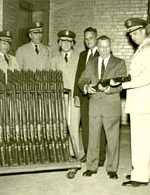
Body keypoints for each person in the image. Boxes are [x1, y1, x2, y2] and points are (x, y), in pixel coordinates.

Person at [78, 35, 126, 179]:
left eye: (106, 47)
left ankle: (112, 168)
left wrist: (110, 89)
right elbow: (82, 80)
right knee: (92, 138)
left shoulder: (119, 63)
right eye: (101, 47)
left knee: (112, 140)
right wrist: (86, 87)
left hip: (111, 106)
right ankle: (91, 167)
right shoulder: (91, 62)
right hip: (94, 106)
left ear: (111, 47)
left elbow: (122, 84)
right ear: (97, 47)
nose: (104, 50)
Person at [121, 18, 150, 187]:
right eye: (131, 35)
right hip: (139, 101)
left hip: (142, 102)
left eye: (136, 33)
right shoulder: (143, 48)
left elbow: (146, 77)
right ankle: (142, 171)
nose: (134, 37)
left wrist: (123, 84)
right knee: (140, 138)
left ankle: (141, 176)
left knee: (141, 139)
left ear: (144, 30)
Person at [73, 27, 107, 165]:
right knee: (86, 126)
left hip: (97, 97)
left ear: (96, 37)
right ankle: (88, 153)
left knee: (99, 127)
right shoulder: (82, 55)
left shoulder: (103, 54)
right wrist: (76, 95)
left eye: (91, 38)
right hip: (84, 96)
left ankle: (100, 156)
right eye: (86, 38)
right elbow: (78, 76)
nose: (88, 41)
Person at [51, 30, 80, 158]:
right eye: (63, 41)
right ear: (59, 43)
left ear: (73, 43)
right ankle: (60, 152)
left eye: (69, 41)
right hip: (60, 98)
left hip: (74, 97)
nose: (66, 44)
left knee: (73, 126)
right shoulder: (54, 60)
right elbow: (52, 80)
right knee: (60, 125)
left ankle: (74, 153)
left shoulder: (79, 58)